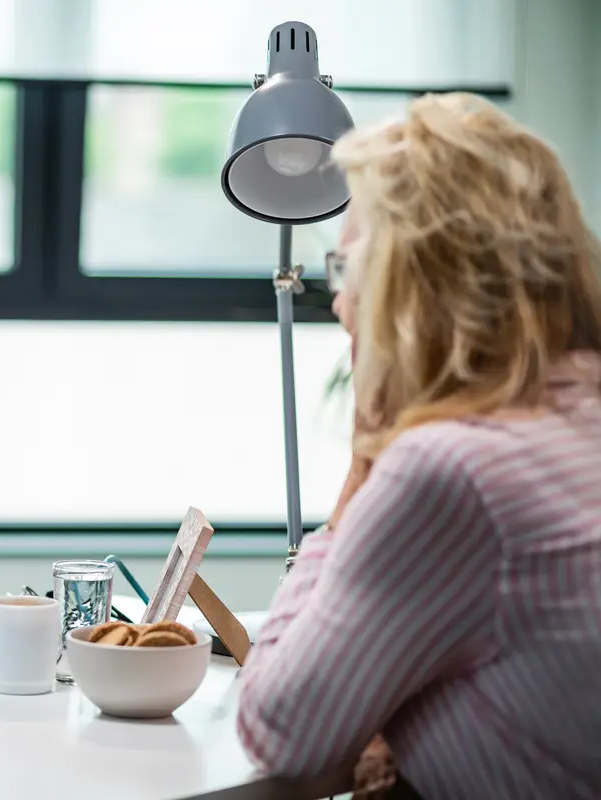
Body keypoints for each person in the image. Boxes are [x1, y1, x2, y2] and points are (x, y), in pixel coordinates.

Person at [236, 93, 601, 799]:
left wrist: (364, 466)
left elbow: (281, 734)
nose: (339, 306)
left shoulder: (450, 471)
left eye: (345, 271)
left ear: (412, 280)